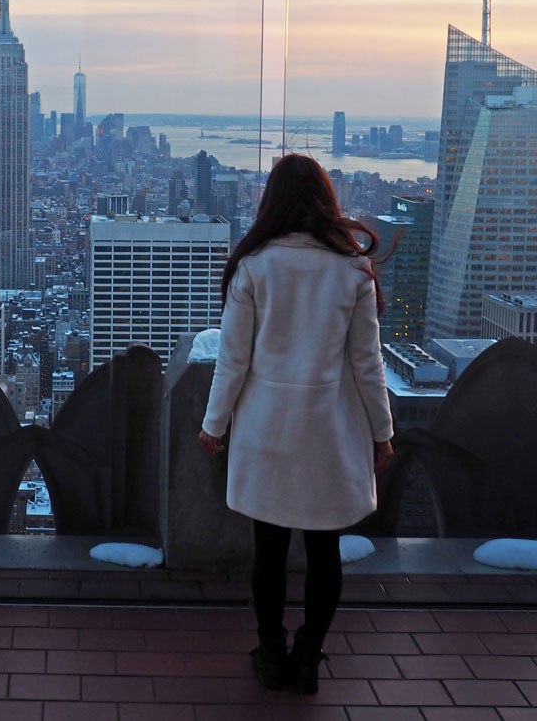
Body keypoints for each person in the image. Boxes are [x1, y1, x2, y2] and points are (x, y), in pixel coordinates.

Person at [198, 153, 394, 693]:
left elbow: (233, 360)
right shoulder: (352, 268)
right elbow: (366, 363)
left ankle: (270, 651)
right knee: (324, 550)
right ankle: (309, 655)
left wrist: (214, 426)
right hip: (328, 433)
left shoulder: (255, 266)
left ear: (271, 203)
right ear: (326, 202)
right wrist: (383, 432)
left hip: (267, 432)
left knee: (270, 550)